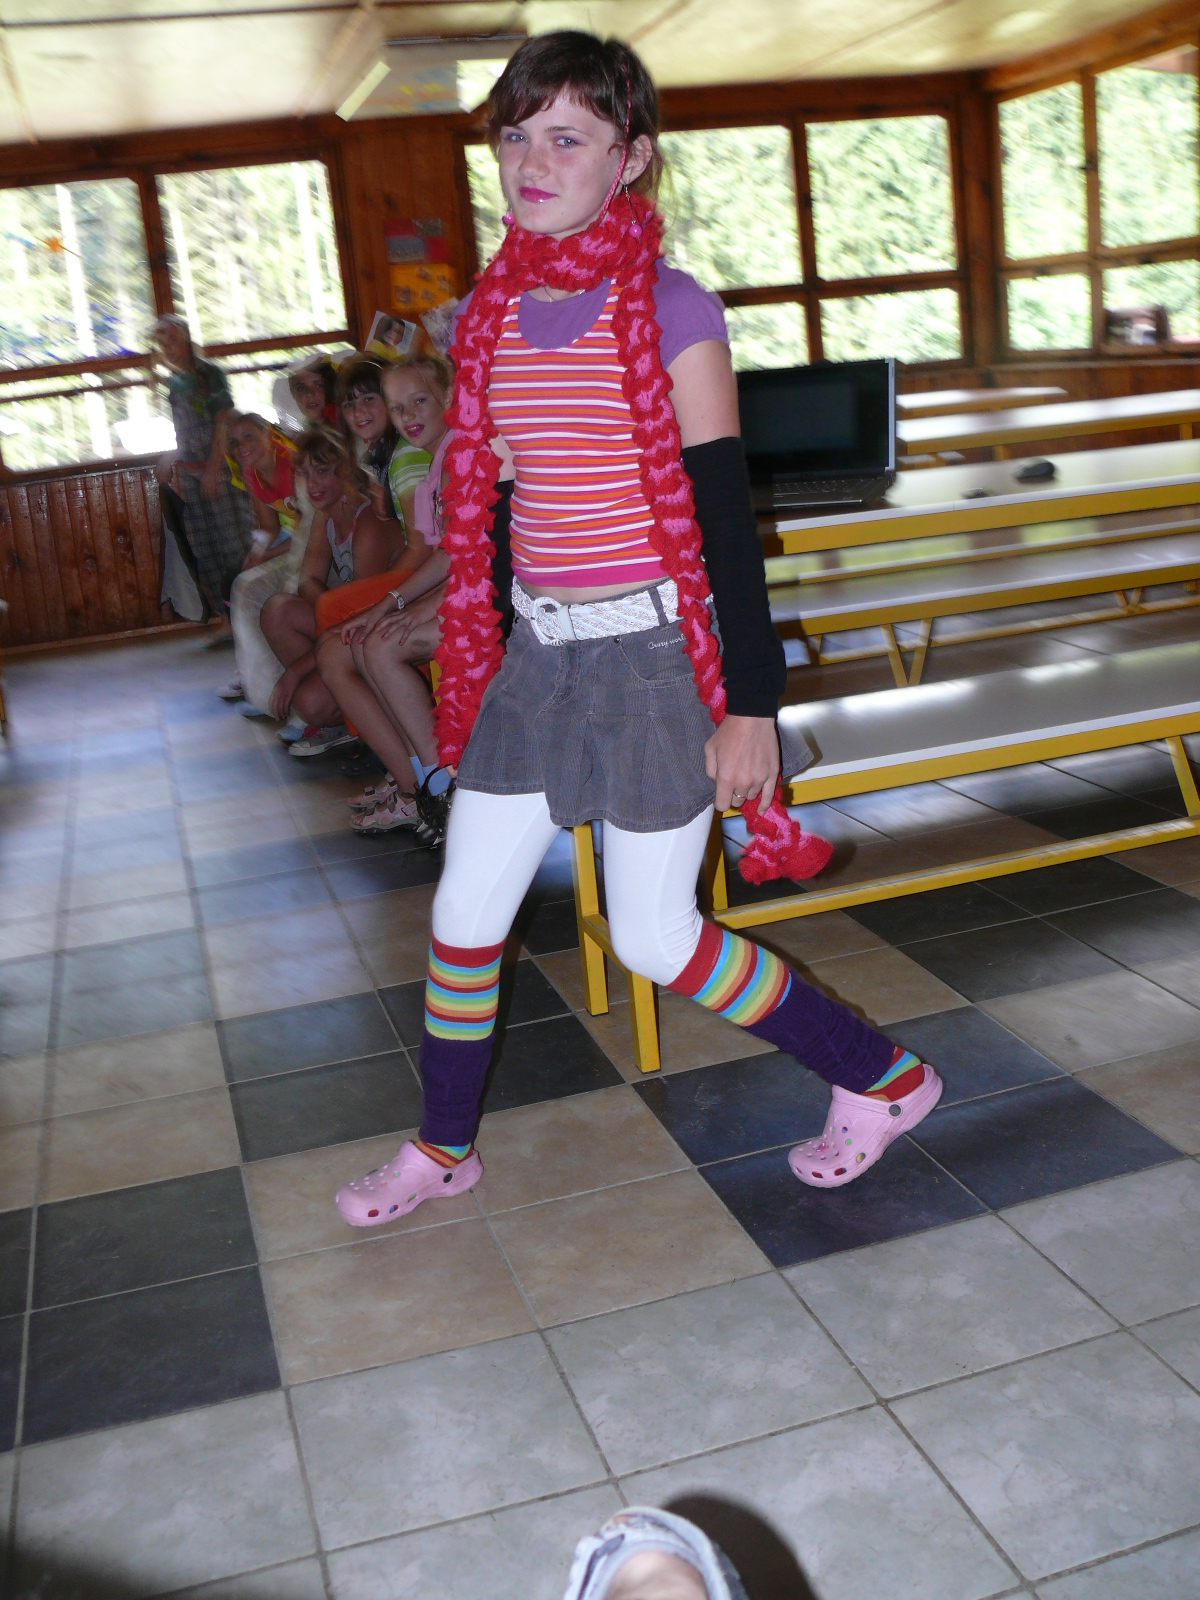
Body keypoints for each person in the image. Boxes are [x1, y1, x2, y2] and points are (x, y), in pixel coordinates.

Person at [334, 31, 942, 1228]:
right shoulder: (491, 313)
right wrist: (482, 561)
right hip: (537, 658)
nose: (532, 161)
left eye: (567, 136)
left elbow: (725, 522)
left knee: (658, 937)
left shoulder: (671, 306)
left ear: (632, 156)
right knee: (463, 913)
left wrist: (752, 705)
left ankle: (885, 1078)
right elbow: (505, 504)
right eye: (516, 135)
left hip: (655, 658)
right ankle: (443, 1147)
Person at [316, 355, 458, 830]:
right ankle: (421, 783)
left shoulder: (457, 458)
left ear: (448, 397)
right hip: (458, 588)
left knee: (377, 643)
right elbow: (447, 554)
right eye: (398, 408)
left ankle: (439, 791)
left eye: (419, 402)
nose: (408, 416)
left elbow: (472, 560)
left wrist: (412, 609)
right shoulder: (436, 460)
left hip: (491, 602)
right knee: (366, 637)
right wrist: (391, 604)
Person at [259, 427, 404, 755]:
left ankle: (367, 718)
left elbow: (362, 620)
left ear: (345, 470)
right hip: (353, 625)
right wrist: (330, 609)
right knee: (278, 610)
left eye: (322, 471)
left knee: (308, 701)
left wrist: (295, 672)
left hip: (383, 631)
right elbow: (307, 581)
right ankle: (345, 709)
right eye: (304, 473)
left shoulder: (368, 523)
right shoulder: (327, 515)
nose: (312, 484)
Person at [153, 313, 252, 635]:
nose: (169, 347)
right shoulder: (174, 384)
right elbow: (185, 433)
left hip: (220, 472)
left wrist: (212, 468)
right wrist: (172, 456)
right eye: (162, 343)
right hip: (191, 474)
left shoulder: (210, 374)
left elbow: (223, 421)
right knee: (205, 547)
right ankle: (226, 618)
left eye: (173, 339)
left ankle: (248, 616)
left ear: (186, 338)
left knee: (233, 544)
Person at [220, 413, 310, 715]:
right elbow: (269, 527)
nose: (242, 447)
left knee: (264, 590)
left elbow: (309, 528)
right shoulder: (251, 473)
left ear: (268, 435)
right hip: (293, 539)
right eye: (235, 443)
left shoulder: (293, 466)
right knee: (238, 580)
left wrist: (268, 556)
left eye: (249, 437)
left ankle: (283, 687)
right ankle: (261, 684)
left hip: (314, 540)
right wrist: (257, 552)